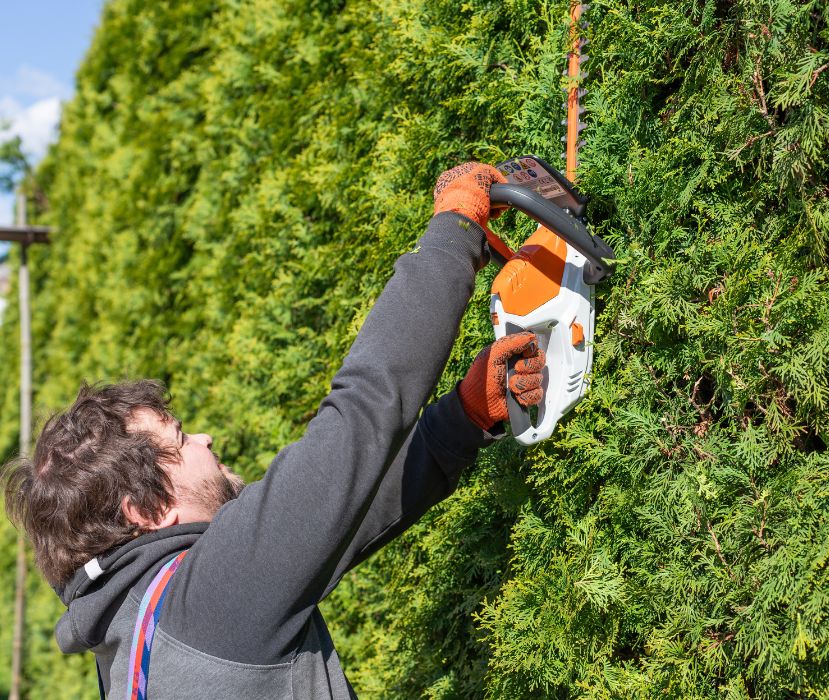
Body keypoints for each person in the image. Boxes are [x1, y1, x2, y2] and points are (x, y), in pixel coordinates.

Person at [2, 162, 547, 699]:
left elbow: (340, 518)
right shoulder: (207, 604)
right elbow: (362, 414)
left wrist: (464, 417)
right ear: (145, 513)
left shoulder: (136, 644)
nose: (205, 441)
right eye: (181, 438)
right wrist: (455, 230)